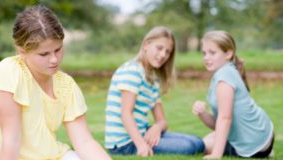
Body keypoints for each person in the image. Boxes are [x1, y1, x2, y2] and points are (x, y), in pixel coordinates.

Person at [0, 5, 111, 160]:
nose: (54, 59)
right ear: (21, 51)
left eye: (58, 49)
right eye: (44, 54)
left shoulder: (66, 84)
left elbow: (84, 142)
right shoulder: (7, 75)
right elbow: (11, 141)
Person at [104, 26, 205, 157]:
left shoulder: (153, 78)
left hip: (142, 133)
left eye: (168, 52)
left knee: (198, 142)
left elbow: (162, 121)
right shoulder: (132, 71)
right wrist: (141, 145)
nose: (163, 55)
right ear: (146, 45)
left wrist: (156, 128)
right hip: (125, 143)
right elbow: (125, 114)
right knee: (189, 147)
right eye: (159, 48)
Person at [192, 30, 274, 159]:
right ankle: (267, 149)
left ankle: (259, 150)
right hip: (264, 135)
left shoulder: (224, 77)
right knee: (207, 139)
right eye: (204, 53)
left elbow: (225, 119)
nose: (206, 57)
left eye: (212, 53)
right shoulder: (225, 71)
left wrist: (216, 155)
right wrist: (203, 114)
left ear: (228, 53)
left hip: (255, 144)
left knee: (204, 145)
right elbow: (218, 123)